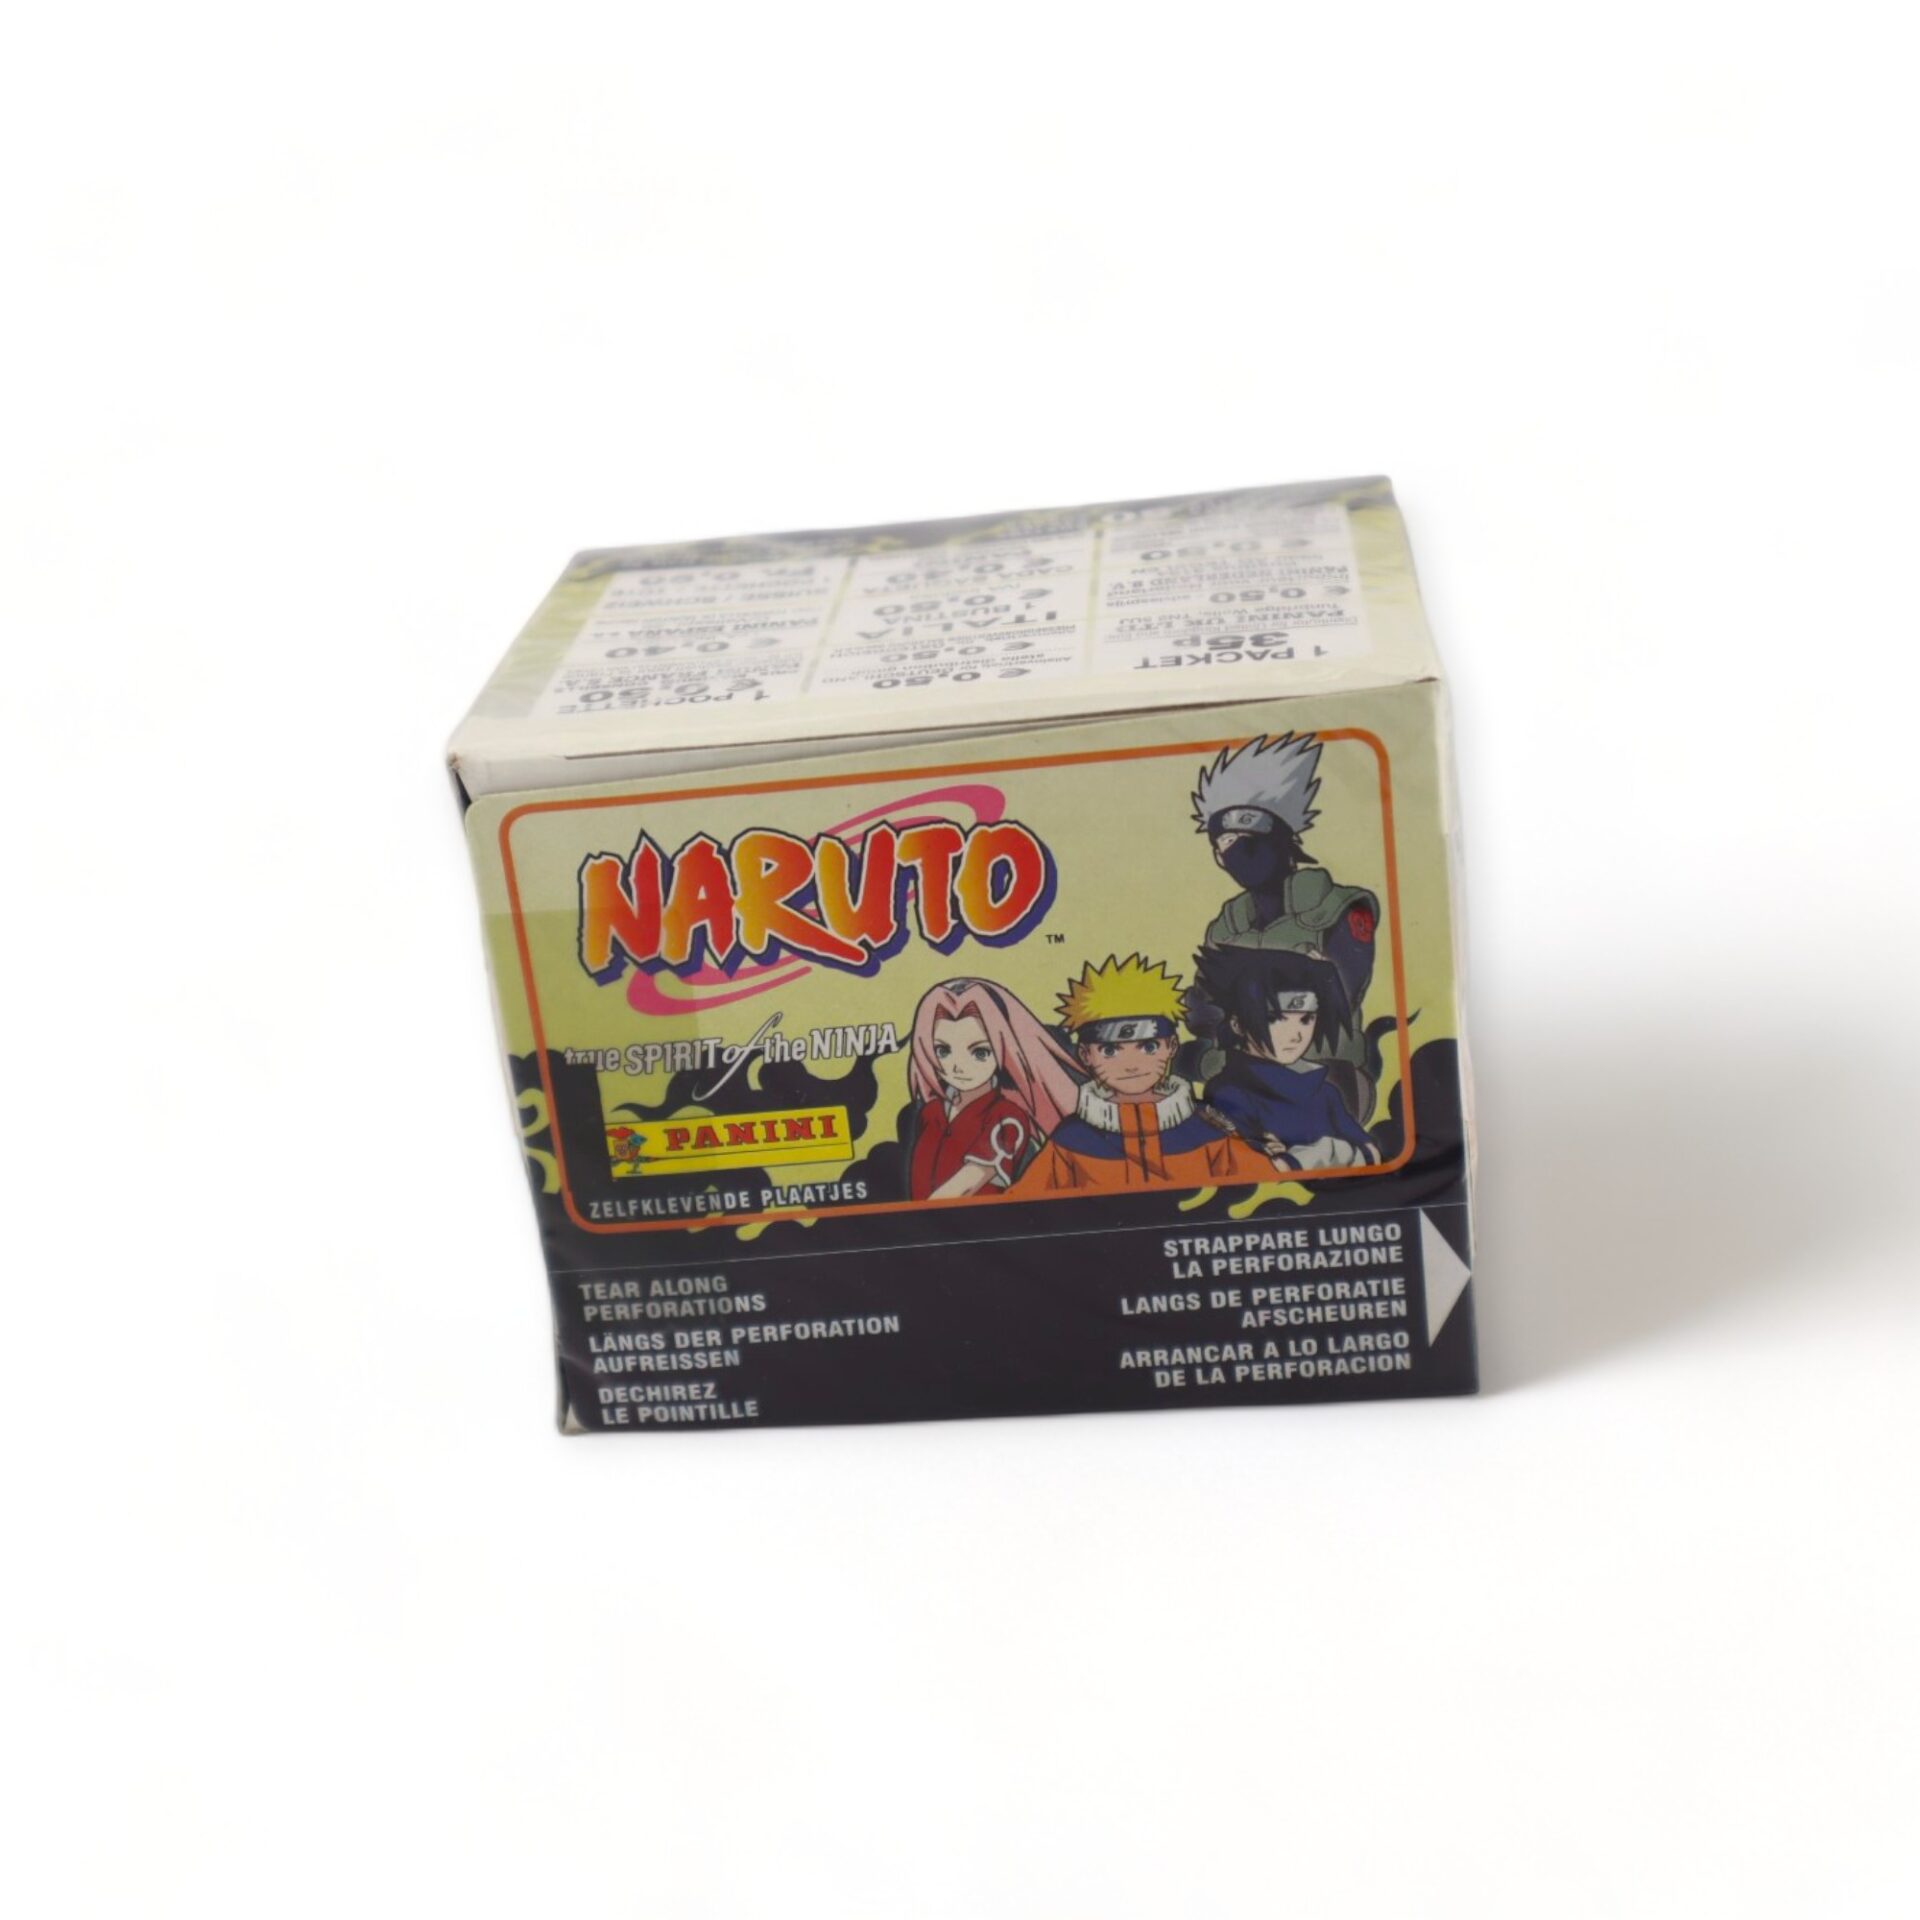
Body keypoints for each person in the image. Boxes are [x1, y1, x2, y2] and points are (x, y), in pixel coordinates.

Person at [1188, 732, 1382, 1119]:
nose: (1234, 853)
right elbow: (1202, 1010)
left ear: (1283, 841)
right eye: (1224, 843)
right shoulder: (1226, 926)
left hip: (1326, 1076)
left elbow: (1337, 1002)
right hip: (1245, 1077)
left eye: (1249, 840)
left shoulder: (1340, 909)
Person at [1011, 955, 1271, 1194]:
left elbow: (1264, 1184)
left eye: (1148, 1047)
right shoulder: (1070, 1138)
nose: (1131, 1064)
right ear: (1086, 1055)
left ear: (1171, 1047)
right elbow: (1020, 1205)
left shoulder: (1206, 1125)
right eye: (1110, 1050)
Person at [1190, 944, 1379, 1172]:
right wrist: (1340, 1154)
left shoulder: (1325, 1092)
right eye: (1275, 1019)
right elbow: (1257, 1169)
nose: (1296, 1035)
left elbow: (1372, 1153)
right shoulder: (1227, 1092)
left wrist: (1315, 1155)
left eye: (1306, 1019)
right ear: (1237, 1024)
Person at [905, 977, 1081, 1200]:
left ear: (1003, 1050)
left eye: (980, 1053)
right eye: (943, 1051)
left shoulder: (1007, 1118)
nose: (958, 1066)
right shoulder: (931, 1112)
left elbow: (967, 1185)